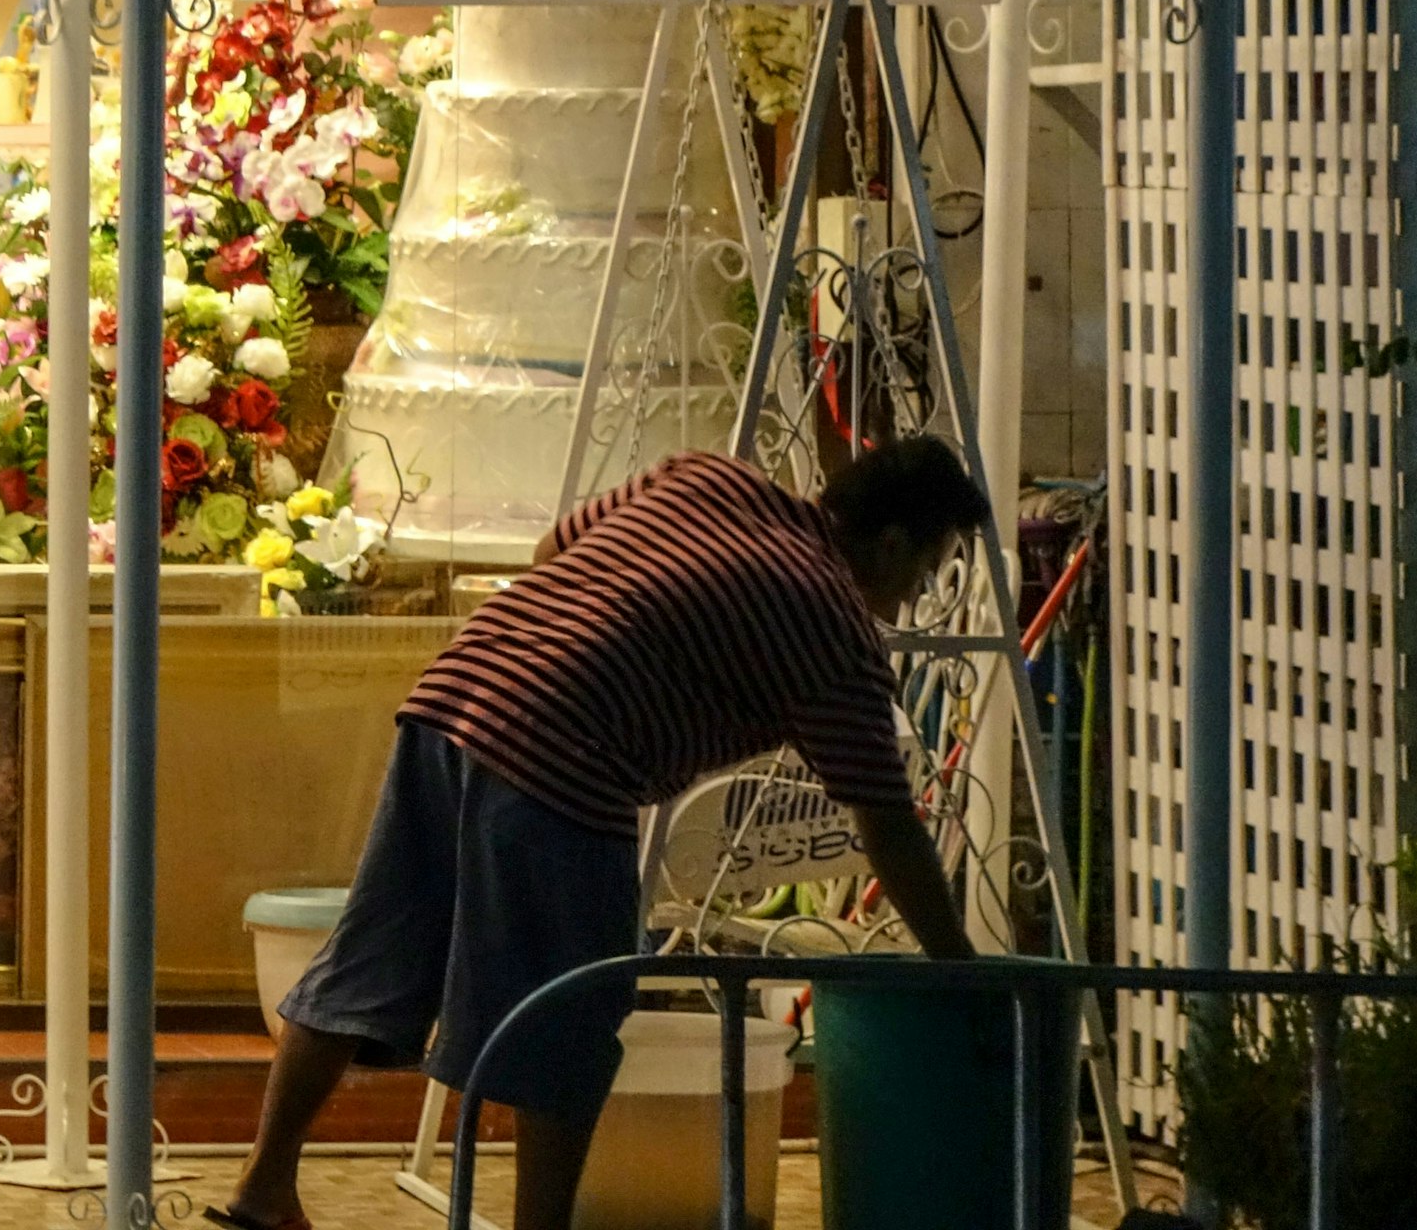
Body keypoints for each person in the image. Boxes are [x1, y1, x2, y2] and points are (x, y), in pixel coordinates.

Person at [211, 438, 995, 1230]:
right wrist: (961, 973)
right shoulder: (835, 629)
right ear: (892, 542)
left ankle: (264, 1183)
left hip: (455, 698)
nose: (903, 604)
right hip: (567, 759)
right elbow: (887, 827)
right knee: (568, 1019)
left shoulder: (706, 478)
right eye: (921, 574)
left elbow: (551, 548)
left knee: (371, 954)